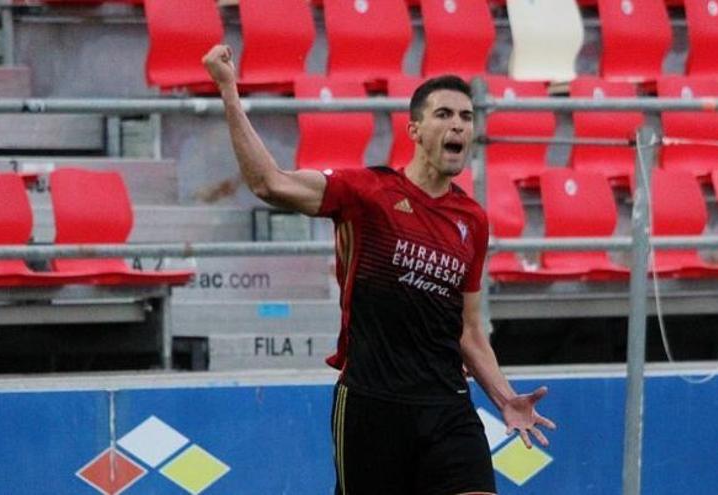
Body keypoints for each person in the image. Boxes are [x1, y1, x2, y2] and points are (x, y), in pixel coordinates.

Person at [202, 45, 556, 495]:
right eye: (445, 114)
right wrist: (228, 90)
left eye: (466, 118)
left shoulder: (472, 220)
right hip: (372, 403)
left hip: (447, 404)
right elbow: (269, 183)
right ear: (414, 129)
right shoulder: (367, 194)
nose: (458, 126)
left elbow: (467, 330)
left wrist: (505, 398)